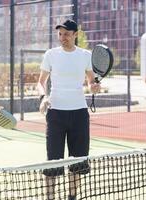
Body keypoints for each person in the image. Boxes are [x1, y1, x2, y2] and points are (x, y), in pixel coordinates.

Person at [37, 19, 100, 200]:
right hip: (55, 112)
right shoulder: (51, 54)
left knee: (77, 162)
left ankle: (72, 197)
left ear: (75, 35)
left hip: (79, 113)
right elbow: (41, 82)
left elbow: (91, 81)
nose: (62, 37)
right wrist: (43, 98)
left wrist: (94, 86)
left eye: (66, 34)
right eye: (60, 34)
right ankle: (50, 197)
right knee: (53, 162)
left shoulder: (85, 55)